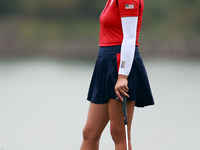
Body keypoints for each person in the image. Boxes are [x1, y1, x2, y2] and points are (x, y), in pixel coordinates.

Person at [80, 0, 154, 149]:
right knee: (90, 133)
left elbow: (130, 37)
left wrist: (123, 76)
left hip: (120, 66)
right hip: (105, 65)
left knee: (119, 135)